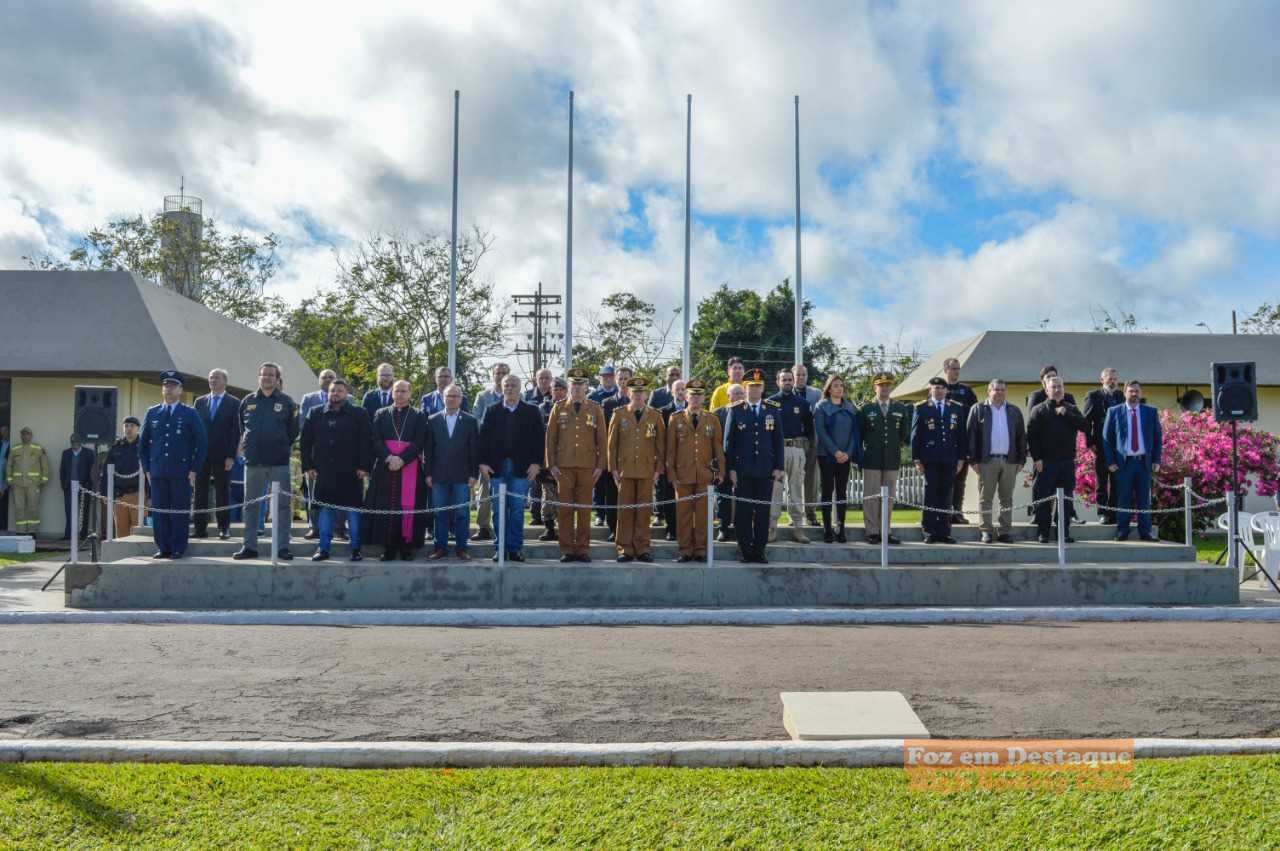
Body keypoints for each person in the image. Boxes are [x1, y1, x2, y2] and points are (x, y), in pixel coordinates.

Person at [300, 378, 371, 562]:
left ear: (346, 393)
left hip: (352, 471)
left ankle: (356, 549)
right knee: (325, 510)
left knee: (353, 512)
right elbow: (305, 442)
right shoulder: (315, 412)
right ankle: (323, 548)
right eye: (332, 390)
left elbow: (366, 441)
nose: (335, 394)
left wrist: (364, 466)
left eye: (339, 390)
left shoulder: (359, 413)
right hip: (324, 471)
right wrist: (308, 466)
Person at [234, 362, 299, 561]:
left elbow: (293, 431)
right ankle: (249, 547)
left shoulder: (287, 402)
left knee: (282, 506)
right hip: (253, 462)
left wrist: (278, 445)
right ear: (259, 377)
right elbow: (242, 428)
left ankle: (282, 547)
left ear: (277, 379)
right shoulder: (248, 400)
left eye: (271, 375)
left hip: (278, 462)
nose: (267, 378)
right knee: (251, 506)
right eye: (264, 375)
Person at [140, 370, 208, 559]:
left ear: (180, 389)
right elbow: (143, 445)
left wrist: (194, 469)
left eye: (172, 386)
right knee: (160, 511)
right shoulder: (153, 412)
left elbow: (202, 443)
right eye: (165, 386)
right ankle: (163, 546)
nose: (168, 389)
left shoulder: (189, 413)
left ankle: (178, 547)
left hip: (182, 472)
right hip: (158, 471)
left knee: (179, 511)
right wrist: (146, 469)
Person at [479, 374, 544, 562]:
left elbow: (539, 441)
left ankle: (515, 548)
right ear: (502, 387)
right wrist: (482, 462)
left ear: (520, 388)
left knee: (516, 510)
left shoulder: (531, 411)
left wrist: (536, 464)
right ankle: (499, 548)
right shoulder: (492, 411)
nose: (509, 388)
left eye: (513, 385)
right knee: (498, 510)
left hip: (522, 469)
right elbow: (483, 439)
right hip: (496, 468)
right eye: (506, 385)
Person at [546, 367, 607, 562]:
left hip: (588, 467)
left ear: (587, 386)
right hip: (563, 467)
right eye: (574, 384)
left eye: (581, 385)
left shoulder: (595, 408)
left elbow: (602, 440)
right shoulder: (559, 407)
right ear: (569, 386)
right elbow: (551, 438)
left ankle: (582, 549)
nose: (578, 388)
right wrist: (552, 464)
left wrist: (600, 466)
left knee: (584, 509)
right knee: (564, 509)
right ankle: (566, 549)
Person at [724, 368, 784, 563]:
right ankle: (745, 550)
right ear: (745, 387)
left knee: (762, 513)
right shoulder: (736, 410)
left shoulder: (772, 409)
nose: (755, 390)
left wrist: (778, 466)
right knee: (743, 512)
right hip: (743, 471)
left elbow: (778, 441)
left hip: (766, 470)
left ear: (763, 387)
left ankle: (759, 550)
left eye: (758, 386)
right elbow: (729, 443)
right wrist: (731, 469)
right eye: (751, 386)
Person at [367, 380, 429, 560]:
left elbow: (419, 441)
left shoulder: (419, 415)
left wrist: (402, 459)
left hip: (409, 465)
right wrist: (389, 457)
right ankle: (388, 547)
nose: (400, 394)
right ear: (392, 393)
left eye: (404, 391)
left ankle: (406, 547)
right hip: (386, 467)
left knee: (407, 507)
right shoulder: (381, 413)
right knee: (387, 505)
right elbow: (375, 439)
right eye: (397, 391)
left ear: (410, 394)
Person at [607, 376, 666, 562]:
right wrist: (613, 468)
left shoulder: (655, 416)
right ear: (629, 393)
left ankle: (642, 548)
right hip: (624, 470)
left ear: (646, 394)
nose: (638, 395)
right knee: (625, 511)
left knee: (644, 511)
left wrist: (658, 470)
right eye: (635, 392)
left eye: (641, 392)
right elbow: (612, 445)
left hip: (647, 470)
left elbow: (661, 446)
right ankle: (624, 549)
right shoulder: (619, 414)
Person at [665, 378, 724, 561]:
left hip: (704, 475)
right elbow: (670, 450)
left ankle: (700, 550)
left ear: (704, 397)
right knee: (683, 516)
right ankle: (684, 551)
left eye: (699, 395)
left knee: (702, 517)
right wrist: (672, 474)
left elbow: (718, 448)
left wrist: (720, 472)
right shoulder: (676, 418)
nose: (696, 398)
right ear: (686, 396)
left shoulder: (712, 419)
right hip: (682, 475)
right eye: (692, 395)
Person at [967, 379, 1028, 544]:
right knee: (985, 498)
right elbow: (971, 437)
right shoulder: (978, 409)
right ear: (989, 391)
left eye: (1002, 390)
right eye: (996, 390)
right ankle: (986, 531)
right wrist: (973, 460)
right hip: (987, 461)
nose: (999, 392)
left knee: (1006, 498)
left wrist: (1021, 460)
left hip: (1009, 461)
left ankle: (1004, 532)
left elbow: (1021, 437)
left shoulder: (1014, 411)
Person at [1027, 377, 1086, 544]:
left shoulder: (1071, 408)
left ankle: (1063, 533)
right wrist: (1037, 458)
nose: (1057, 389)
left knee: (1066, 500)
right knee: (1044, 499)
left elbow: (1084, 426)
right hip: (1046, 462)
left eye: (1060, 386)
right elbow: (1032, 436)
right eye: (1054, 387)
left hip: (1067, 462)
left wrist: (1067, 414)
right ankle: (1043, 533)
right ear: (1047, 390)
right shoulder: (1038, 410)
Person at [424, 384, 480, 560]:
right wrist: (428, 474)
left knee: (462, 514)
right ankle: (440, 547)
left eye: (455, 396)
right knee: (439, 513)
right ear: (443, 398)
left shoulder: (470, 421)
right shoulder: (433, 420)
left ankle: (462, 548)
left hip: (462, 477)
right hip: (438, 476)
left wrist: (473, 475)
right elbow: (429, 450)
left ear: (461, 399)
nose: (452, 399)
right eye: (448, 396)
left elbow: (474, 450)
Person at [1103, 380, 1163, 542]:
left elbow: (1157, 438)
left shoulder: (1150, 412)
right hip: (1124, 464)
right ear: (1124, 393)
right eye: (1131, 391)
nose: (1134, 394)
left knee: (1145, 499)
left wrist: (1156, 459)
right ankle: (1122, 531)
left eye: (1137, 391)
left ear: (1141, 393)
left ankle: (1146, 532)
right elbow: (1106, 439)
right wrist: (1110, 462)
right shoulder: (1114, 412)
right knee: (1123, 498)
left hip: (1144, 463)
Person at [911, 377, 966, 544]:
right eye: (936, 387)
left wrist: (961, 458)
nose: (940, 390)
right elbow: (915, 436)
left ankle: (944, 532)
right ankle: (929, 531)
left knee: (946, 495)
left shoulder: (956, 408)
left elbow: (961, 435)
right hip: (930, 459)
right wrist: (917, 459)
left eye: (942, 387)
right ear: (930, 389)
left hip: (950, 458)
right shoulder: (921, 408)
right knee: (931, 494)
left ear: (947, 390)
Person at [858, 373, 911, 545]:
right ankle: (872, 532)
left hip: (891, 459)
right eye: (881, 385)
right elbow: (860, 435)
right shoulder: (866, 409)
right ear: (875, 387)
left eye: (888, 385)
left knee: (888, 498)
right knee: (871, 497)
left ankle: (886, 531)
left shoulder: (900, 408)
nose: (885, 388)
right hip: (872, 459)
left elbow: (905, 434)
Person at [767, 368, 814, 543]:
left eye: (789, 379)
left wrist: (805, 449)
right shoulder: (770, 402)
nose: (787, 382)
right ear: (778, 382)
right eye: (784, 379)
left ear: (793, 381)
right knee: (775, 490)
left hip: (796, 448)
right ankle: (772, 528)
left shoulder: (801, 403)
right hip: (776, 450)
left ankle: (798, 529)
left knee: (796, 489)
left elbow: (809, 429)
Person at [194, 368, 241, 540]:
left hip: (223, 456)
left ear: (225, 381)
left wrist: (231, 456)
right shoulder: (199, 402)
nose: (213, 380)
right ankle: (200, 528)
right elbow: (195, 430)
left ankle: (224, 527)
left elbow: (236, 432)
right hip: (202, 455)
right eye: (211, 377)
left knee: (222, 492)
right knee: (200, 492)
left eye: (217, 378)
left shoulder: (234, 402)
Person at [813, 374, 861, 543]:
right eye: (835, 385)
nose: (839, 388)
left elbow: (854, 434)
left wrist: (847, 452)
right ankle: (827, 529)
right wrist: (835, 452)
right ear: (829, 388)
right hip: (826, 456)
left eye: (841, 385)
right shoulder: (821, 407)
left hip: (845, 457)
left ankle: (840, 528)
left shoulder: (850, 407)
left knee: (842, 492)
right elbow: (821, 432)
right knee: (827, 491)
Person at [470, 361, 509, 542]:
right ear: (492, 375)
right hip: (488, 451)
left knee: (508, 491)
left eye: (503, 373)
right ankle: (484, 527)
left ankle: (504, 526)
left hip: (509, 452)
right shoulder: (483, 396)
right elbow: (476, 421)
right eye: (497, 373)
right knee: (485, 491)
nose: (500, 376)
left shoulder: (517, 394)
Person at [299, 369, 337, 541]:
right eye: (324, 377)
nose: (328, 379)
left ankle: (338, 528)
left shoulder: (348, 399)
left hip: (339, 458)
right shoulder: (309, 399)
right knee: (313, 494)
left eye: (331, 377)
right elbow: (303, 426)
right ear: (319, 380)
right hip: (316, 456)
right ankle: (314, 528)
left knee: (339, 492)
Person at [1083, 367, 1124, 524]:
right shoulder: (1093, 396)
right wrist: (1090, 442)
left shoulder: (1122, 396)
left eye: (1114, 378)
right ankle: (1102, 513)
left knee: (1117, 482)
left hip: (1120, 447)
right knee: (1101, 481)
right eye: (1109, 378)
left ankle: (1113, 513)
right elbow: (1086, 421)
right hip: (1100, 445)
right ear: (1102, 380)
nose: (1112, 381)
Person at [941, 358, 979, 525]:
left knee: (959, 480)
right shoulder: (939, 389)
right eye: (954, 368)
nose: (957, 371)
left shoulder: (966, 391)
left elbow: (976, 414)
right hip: (943, 442)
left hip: (961, 441)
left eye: (958, 368)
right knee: (944, 480)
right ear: (946, 370)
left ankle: (957, 512)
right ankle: (943, 512)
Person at [599, 366, 636, 541]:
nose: (622, 382)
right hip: (613, 458)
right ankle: (614, 529)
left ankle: (631, 531)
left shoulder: (639, 403)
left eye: (626, 378)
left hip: (633, 459)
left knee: (632, 498)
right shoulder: (607, 404)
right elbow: (604, 433)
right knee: (612, 496)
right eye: (620, 378)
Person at [534, 376, 568, 541]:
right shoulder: (542, 408)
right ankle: (549, 528)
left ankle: (564, 528)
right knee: (548, 496)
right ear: (551, 391)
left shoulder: (571, 409)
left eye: (562, 389)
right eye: (556, 389)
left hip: (567, 460)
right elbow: (538, 434)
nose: (559, 392)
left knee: (565, 496)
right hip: (547, 459)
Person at [654, 378, 687, 541]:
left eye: (683, 389)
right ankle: (671, 529)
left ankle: (685, 530)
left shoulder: (696, 411)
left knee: (687, 500)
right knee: (669, 498)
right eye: (677, 389)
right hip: (669, 463)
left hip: (688, 463)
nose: (680, 392)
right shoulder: (663, 412)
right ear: (672, 392)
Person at [522, 368, 555, 526]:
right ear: (536, 379)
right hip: (532, 446)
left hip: (551, 447)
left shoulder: (556, 395)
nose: (544, 381)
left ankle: (549, 517)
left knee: (549, 484)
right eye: (541, 378)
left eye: (547, 378)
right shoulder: (527, 396)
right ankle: (535, 516)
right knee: (534, 482)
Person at [588, 364, 619, 528]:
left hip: (615, 446)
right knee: (598, 481)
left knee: (612, 484)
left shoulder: (619, 395)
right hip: (597, 445)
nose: (607, 379)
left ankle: (613, 515)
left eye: (610, 376)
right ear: (600, 377)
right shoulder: (592, 396)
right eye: (604, 376)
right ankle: (600, 514)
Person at [792, 363, 823, 527]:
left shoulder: (816, 394)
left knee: (812, 480)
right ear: (793, 376)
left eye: (803, 374)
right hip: (794, 441)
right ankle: (795, 515)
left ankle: (811, 514)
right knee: (794, 480)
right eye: (798, 375)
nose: (801, 377)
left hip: (812, 440)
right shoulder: (787, 393)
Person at [714, 383, 745, 541]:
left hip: (744, 463)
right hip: (723, 462)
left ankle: (742, 529)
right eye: (736, 394)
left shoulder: (749, 412)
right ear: (728, 396)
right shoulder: (717, 414)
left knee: (744, 497)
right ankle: (723, 528)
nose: (739, 396)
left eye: (741, 393)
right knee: (723, 497)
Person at [104, 416, 144, 537]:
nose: (128, 429)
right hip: (119, 496)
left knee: (139, 532)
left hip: (139, 495)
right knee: (121, 533)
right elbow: (106, 472)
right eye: (126, 426)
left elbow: (150, 472)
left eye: (132, 426)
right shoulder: (116, 447)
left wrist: (151, 496)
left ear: (138, 428)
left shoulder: (145, 446)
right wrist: (105, 493)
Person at [6, 428, 48, 536]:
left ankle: (32, 531)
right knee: (19, 508)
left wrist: (44, 480)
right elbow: (9, 465)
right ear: (21, 436)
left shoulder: (38, 448)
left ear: (31, 436)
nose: (25, 436)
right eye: (23, 434)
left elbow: (45, 465)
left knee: (33, 508)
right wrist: (9, 480)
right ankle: (20, 531)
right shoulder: (15, 448)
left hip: (33, 484)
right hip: (17, 484)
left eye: (27, 434)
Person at [59, 433, 94, 541]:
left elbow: (92, 471)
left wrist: (89, 486)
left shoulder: (89, 453)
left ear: (81, 442)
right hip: (69, 487)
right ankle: (68, 535)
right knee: (69, 512)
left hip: (84, 487)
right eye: (72, 442)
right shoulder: (66, 453)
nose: (74, 444)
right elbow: (62, 471)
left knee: (84, 512)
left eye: (76, 442)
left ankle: (83, 535)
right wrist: (64, 485)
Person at [0, 426, 9, 533]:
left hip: (6, 480)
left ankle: (4, 527)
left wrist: (3, 486)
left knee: (4, 505)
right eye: (2, 432)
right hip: (1, 478)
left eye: (5, 431)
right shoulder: (1, 443)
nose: (3, 433)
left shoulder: (11, 445)